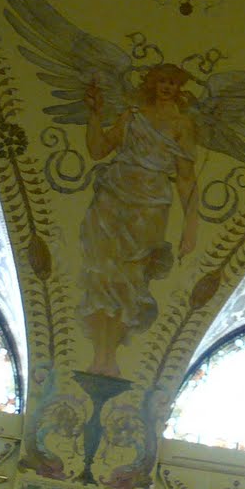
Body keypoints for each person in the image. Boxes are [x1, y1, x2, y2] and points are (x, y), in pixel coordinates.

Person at [80, 63, 198, 376]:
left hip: (151, 204)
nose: (167, 87)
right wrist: (94, 114)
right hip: (113, 196)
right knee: (102, 275)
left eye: (173, 83)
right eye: (162, 81)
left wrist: (191, 226)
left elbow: (186, 178)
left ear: (179, 88)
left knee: (131, 280)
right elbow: (98, 149)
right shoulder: (132, 115)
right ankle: (100, 356)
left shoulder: (182, 124)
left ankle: (112, 355)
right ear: (152, 84)